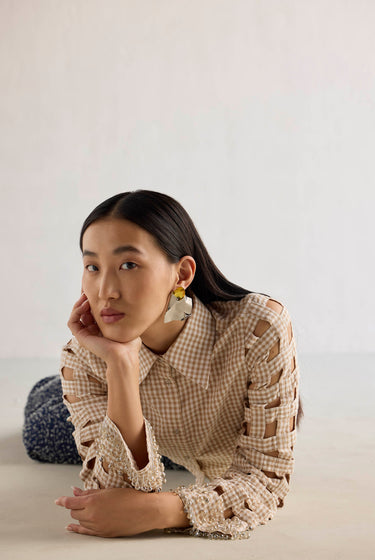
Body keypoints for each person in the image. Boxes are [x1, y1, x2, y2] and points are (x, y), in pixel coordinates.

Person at [51, 189, 302, 539]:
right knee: (40, 432)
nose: (106, 290)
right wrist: (121, 365)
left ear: (182, 274)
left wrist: (162, 509)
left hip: (172, 449)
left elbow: (265, 481)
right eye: (92, 266)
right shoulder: (84, 358)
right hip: (127, 420)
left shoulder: (257, 329)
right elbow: (112, 494)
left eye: (128, 265)